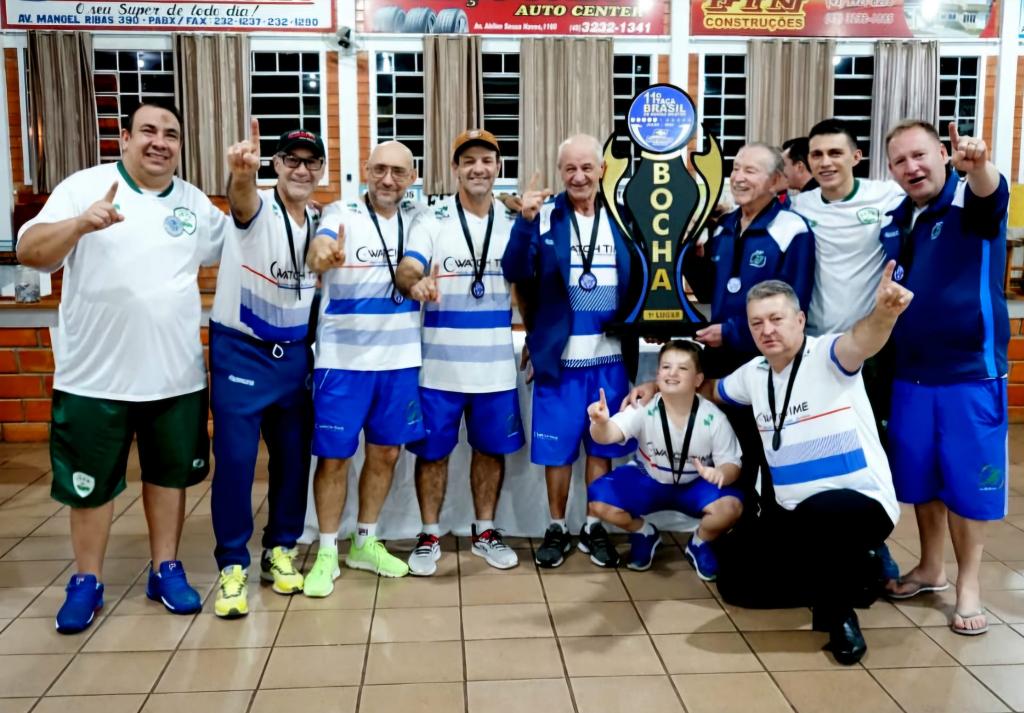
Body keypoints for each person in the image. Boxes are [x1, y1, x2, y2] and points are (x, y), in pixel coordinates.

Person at [16, 101, 228, 633]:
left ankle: (165, 569)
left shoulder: (194, 202)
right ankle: (86, 579)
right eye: (148, 131)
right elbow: (30, 252)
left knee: (170, 478)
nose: (160, 142)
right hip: (94, 378)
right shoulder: (83, 187)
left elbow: (243, 242)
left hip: (174, 376)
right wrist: (79, 224)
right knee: (89, 486)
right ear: (125, 137)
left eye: (171, 134)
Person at [627, 270, 911, 665]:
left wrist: (884, 313)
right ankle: (857, 573)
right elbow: (709, 389)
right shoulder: (754, 373)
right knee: (735, 579)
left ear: (799, 320)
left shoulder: (829, 355)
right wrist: (658, 386)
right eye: (757, 322)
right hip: (794, 514)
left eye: (777, 319)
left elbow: (863, 339)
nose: (767, 330)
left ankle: (838, 612)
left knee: (823, 514)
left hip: (860, 505)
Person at [882, 120, 1010, 636]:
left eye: (919, 155)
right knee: (923, 478)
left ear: (941, 153)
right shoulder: (900, 219)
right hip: (910, 373)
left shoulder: (967, 198)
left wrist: (979, 165)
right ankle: (931, 567)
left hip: (968, 374)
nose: (911, 167)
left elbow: (989, 190)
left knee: (967, 483)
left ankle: (969, 586)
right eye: (899, 161)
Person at [303, 141, 437, 594]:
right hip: (343, 363)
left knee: (386, 454)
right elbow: (319, 248)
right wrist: (323, 256)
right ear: (365, 169)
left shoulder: (418, 219)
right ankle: (326, 550)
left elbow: (417, 265)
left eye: (398, 172)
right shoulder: (341, 212)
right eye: (379, 169)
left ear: (412, 177)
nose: (387, 179)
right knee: (334, 457)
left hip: (399, 361)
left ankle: (364, 541)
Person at [501, 134, 639, 569]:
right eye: (569, 169)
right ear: (560, 172)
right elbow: (515, 269)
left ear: (602, 170)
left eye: (586, 167)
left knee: (601, 447)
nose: (578, 177)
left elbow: (643, 274)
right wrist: (524, 221)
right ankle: (557, 526)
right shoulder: (544, 217)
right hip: (560, 361)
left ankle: (594, 527)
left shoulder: (624, 216)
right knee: (557, 452)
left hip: (610, 358)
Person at [393, 129, 525, 575]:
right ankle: (429, 535)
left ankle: (485, 531)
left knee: (490, 452)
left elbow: (525, 285)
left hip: (495, 368)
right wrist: (415, 283)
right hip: (439, 368)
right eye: (468, 161)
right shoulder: (431, 219)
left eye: (486, 160)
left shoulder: (513, 222)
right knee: (432, 454)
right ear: (455, 169)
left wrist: (534, 335)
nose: (478, 168)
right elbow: (408, 266)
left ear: (498, 167)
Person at [206, 122, 323, 618]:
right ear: (275, 165)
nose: (301, 169)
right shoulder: (256, 207)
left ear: (321, 170)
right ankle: (233, 564)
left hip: (294, 355)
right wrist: (241, 174)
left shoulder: (318, 219)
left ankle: (280, 549)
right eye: (291, 160)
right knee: (235, 462)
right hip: (242, 351)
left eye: (310, 162)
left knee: (293, 460)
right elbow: (240, 200)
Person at [587, 340, 743, 576]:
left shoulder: (714, 418)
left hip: (695, 484)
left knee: (731, 507)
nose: (672, 373)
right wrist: (600, 423)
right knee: (599, 501)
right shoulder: (643, 407)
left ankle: (699, 543)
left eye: (682, 368)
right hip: (648, 479)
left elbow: (732, 463)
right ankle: (644, 533)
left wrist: (721, 473)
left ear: (698, 379)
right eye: (666, 367)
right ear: (657, 374)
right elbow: (608, 435)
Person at [686, 142, 815, 377]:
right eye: (736, 168)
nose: (738, 178)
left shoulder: (791, 229)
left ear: (775, 180)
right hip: (719, 357)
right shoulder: (723, 227)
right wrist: (690, 258)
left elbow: (794, 306)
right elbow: (707, 293)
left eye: (750, 171)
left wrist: (730, 333)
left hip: (769, 360)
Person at [794, 118, 905, 336]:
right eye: (817, 155)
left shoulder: (888, 195)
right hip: (815, 336)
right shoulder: (798, 206)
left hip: (871, 336)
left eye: (835, 153)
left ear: (856, 157)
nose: (825, 162)